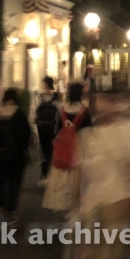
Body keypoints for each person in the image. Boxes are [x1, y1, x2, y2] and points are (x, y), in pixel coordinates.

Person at [64, 93, 130, 259]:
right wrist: (77, 207)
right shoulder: (86, 136)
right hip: (99, 209)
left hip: (124, 205)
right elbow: (78, 176)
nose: (102, 108)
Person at [43, 82, 92, 212]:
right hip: (79, 145)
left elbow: (57, 130)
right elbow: (89, 132)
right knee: (77, 177)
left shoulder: (63, 110)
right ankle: (76, 204)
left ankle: (62, 201)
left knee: (62, 175)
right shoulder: (84, 111)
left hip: (64, 146)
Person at [0, 88, 31, 224]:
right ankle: (10, 211)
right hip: (16, 155)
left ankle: (0, 210)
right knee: (13, 183)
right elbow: (26, 136)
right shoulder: (19, 115)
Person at [34, 77, 61, 186]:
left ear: (45, 84)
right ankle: (50, 174)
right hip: (52, 127)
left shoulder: (39, 98)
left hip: (41, 127)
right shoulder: (56, 98)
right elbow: (60, 112)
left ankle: (45, 174)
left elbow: (33, 112)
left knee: (44, 151)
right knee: (50, 150)